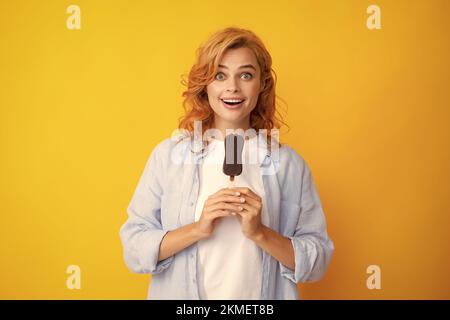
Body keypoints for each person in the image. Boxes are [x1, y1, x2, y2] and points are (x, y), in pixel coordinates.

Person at [119, 27, 334, 300]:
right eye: (220, 75)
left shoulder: (289, 165)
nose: (232, 86)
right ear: (205, 84)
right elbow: (134, 248)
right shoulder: (169, 157)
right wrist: (198, 228)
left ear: (261, 85)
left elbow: (319, 260)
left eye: (246, 75)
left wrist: (260, 233)